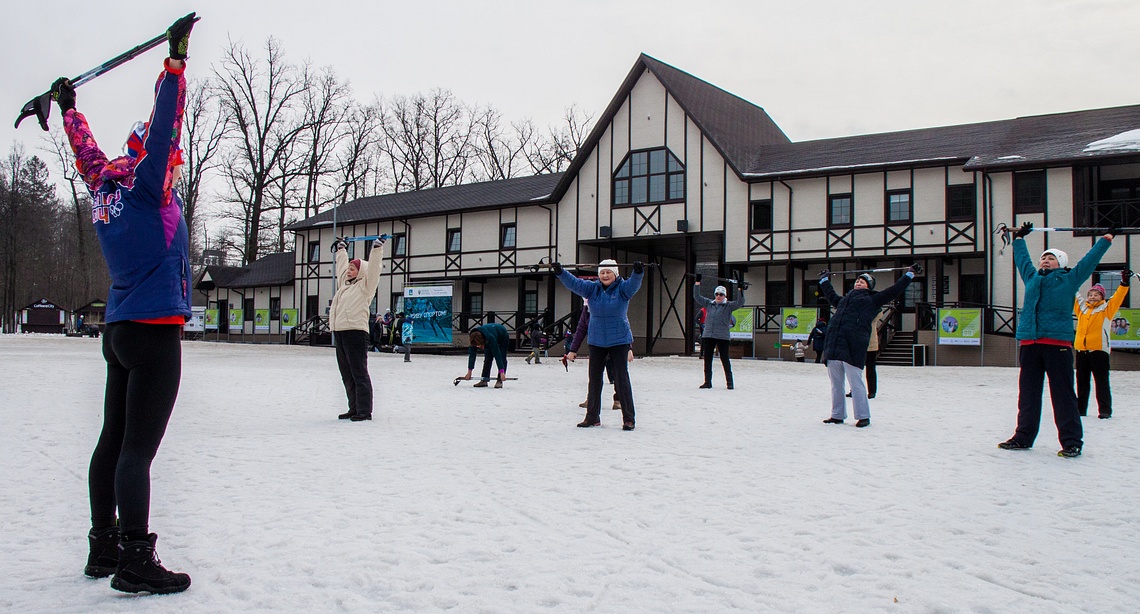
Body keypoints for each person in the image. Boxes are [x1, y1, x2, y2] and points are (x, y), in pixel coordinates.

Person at [59, 13, 196, 595]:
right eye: (169, 157)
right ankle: (136, 558)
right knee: (136, 451)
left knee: (111, 440)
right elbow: (167, 122)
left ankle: (102, 545)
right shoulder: (145, 184)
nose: (175, 162)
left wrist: (68, 110)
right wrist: (175, 66)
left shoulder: (105, 186)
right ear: (153, 155)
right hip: (154, 329)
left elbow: (86, 152)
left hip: (118, 329)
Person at [998, 222, 1113, 457]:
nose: (1045, 261)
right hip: (1030, 344)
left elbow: (1090, 261)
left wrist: (1107, 238)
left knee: (1063, 394)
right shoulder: (1032, 278)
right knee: (1028, 394)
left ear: (1061, 263)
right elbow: (1022, 260)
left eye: (1051, 258)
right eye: (1043, 258)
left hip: (1056, 345)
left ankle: (1072, 442)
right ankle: (1023, 437)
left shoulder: (1069, 279)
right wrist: (1019, 239)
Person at [553, 259, 643, 430]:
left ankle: (628, 418)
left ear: (615, 273)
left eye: (608, 272)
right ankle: (592, 417)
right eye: (602, 272)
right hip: (597, 340)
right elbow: (574, 283)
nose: (605, 275)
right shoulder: (592, 289)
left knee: (621, 379)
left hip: (619, 340)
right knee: (594, 380)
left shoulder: (623, 289)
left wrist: (637, 272)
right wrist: (560, 272)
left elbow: (634, 284)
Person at [819, 269, 916, 428]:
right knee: (836, 384)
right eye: (857, 281)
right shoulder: (843, 301)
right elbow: (831, 295)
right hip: (834, 344)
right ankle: (837, 415)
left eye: (862, 282)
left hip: (853, 345)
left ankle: (863, 416)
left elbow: (894, 290)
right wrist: (824, 280)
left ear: (869, 286)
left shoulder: (872, 300)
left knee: (856, 383)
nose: (858, 283)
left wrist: (909, 274)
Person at [330, 237, 386, 421]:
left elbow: (374, 270)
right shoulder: (344, 286)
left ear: (360, 271)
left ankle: (364, 411)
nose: (348, 271)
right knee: (346, 374)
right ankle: (353, 408)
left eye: (352, 268)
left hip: (356, 333)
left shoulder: (365, 286)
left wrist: (377, 248)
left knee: (358, 373)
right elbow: (341, 267)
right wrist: (341, 249)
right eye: (349, 268)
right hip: (340, 332)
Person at [1073, 271, 1130, 418]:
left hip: (1099, 351)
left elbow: (1118, 298)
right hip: (1081, 350)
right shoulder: (1082, 309)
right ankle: (1081, 409)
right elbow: (1074, 294)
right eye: (1090, 294)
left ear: (1102, 297)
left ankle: (1104, 410)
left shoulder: (1106, 309)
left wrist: (1124, 283)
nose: (1092, 297)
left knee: (1101, 382)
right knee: (1082, 382)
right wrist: (1069, 277)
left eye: (1096, 295)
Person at [565, 300, 631, 410]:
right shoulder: (586, 310)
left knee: (619, 375)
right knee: (594, 376)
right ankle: (591, 400)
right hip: (597, 346)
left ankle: (618, 399)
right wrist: (573, 349)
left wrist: (629, 348)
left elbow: (623, 326)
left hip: (615, 346)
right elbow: (581, 329)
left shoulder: (610, 305)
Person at [693, 279, 746, 389]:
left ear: (724, 296)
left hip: (722, 336)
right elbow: (697, 297)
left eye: (721, 294)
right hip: (708, 335)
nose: (718, 296)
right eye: (717, 294)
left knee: (725, 359)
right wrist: (697, 283)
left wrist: (740, 289)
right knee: (707, 359)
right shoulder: (709, 304)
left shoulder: (728, 306)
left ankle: (729, 383)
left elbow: (740, 302)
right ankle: (707, 381)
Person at [463, 322, 510, 387]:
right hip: (489, 334)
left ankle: (500, 379)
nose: (478, 347)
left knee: (501, 356)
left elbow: (497, 355)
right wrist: (469, 372)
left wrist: (502, 372)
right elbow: (472, 356)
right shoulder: (473, 339)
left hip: (502, 336)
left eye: (479, 345)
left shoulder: (490, 338)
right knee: (488, 358)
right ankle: (484, 380)